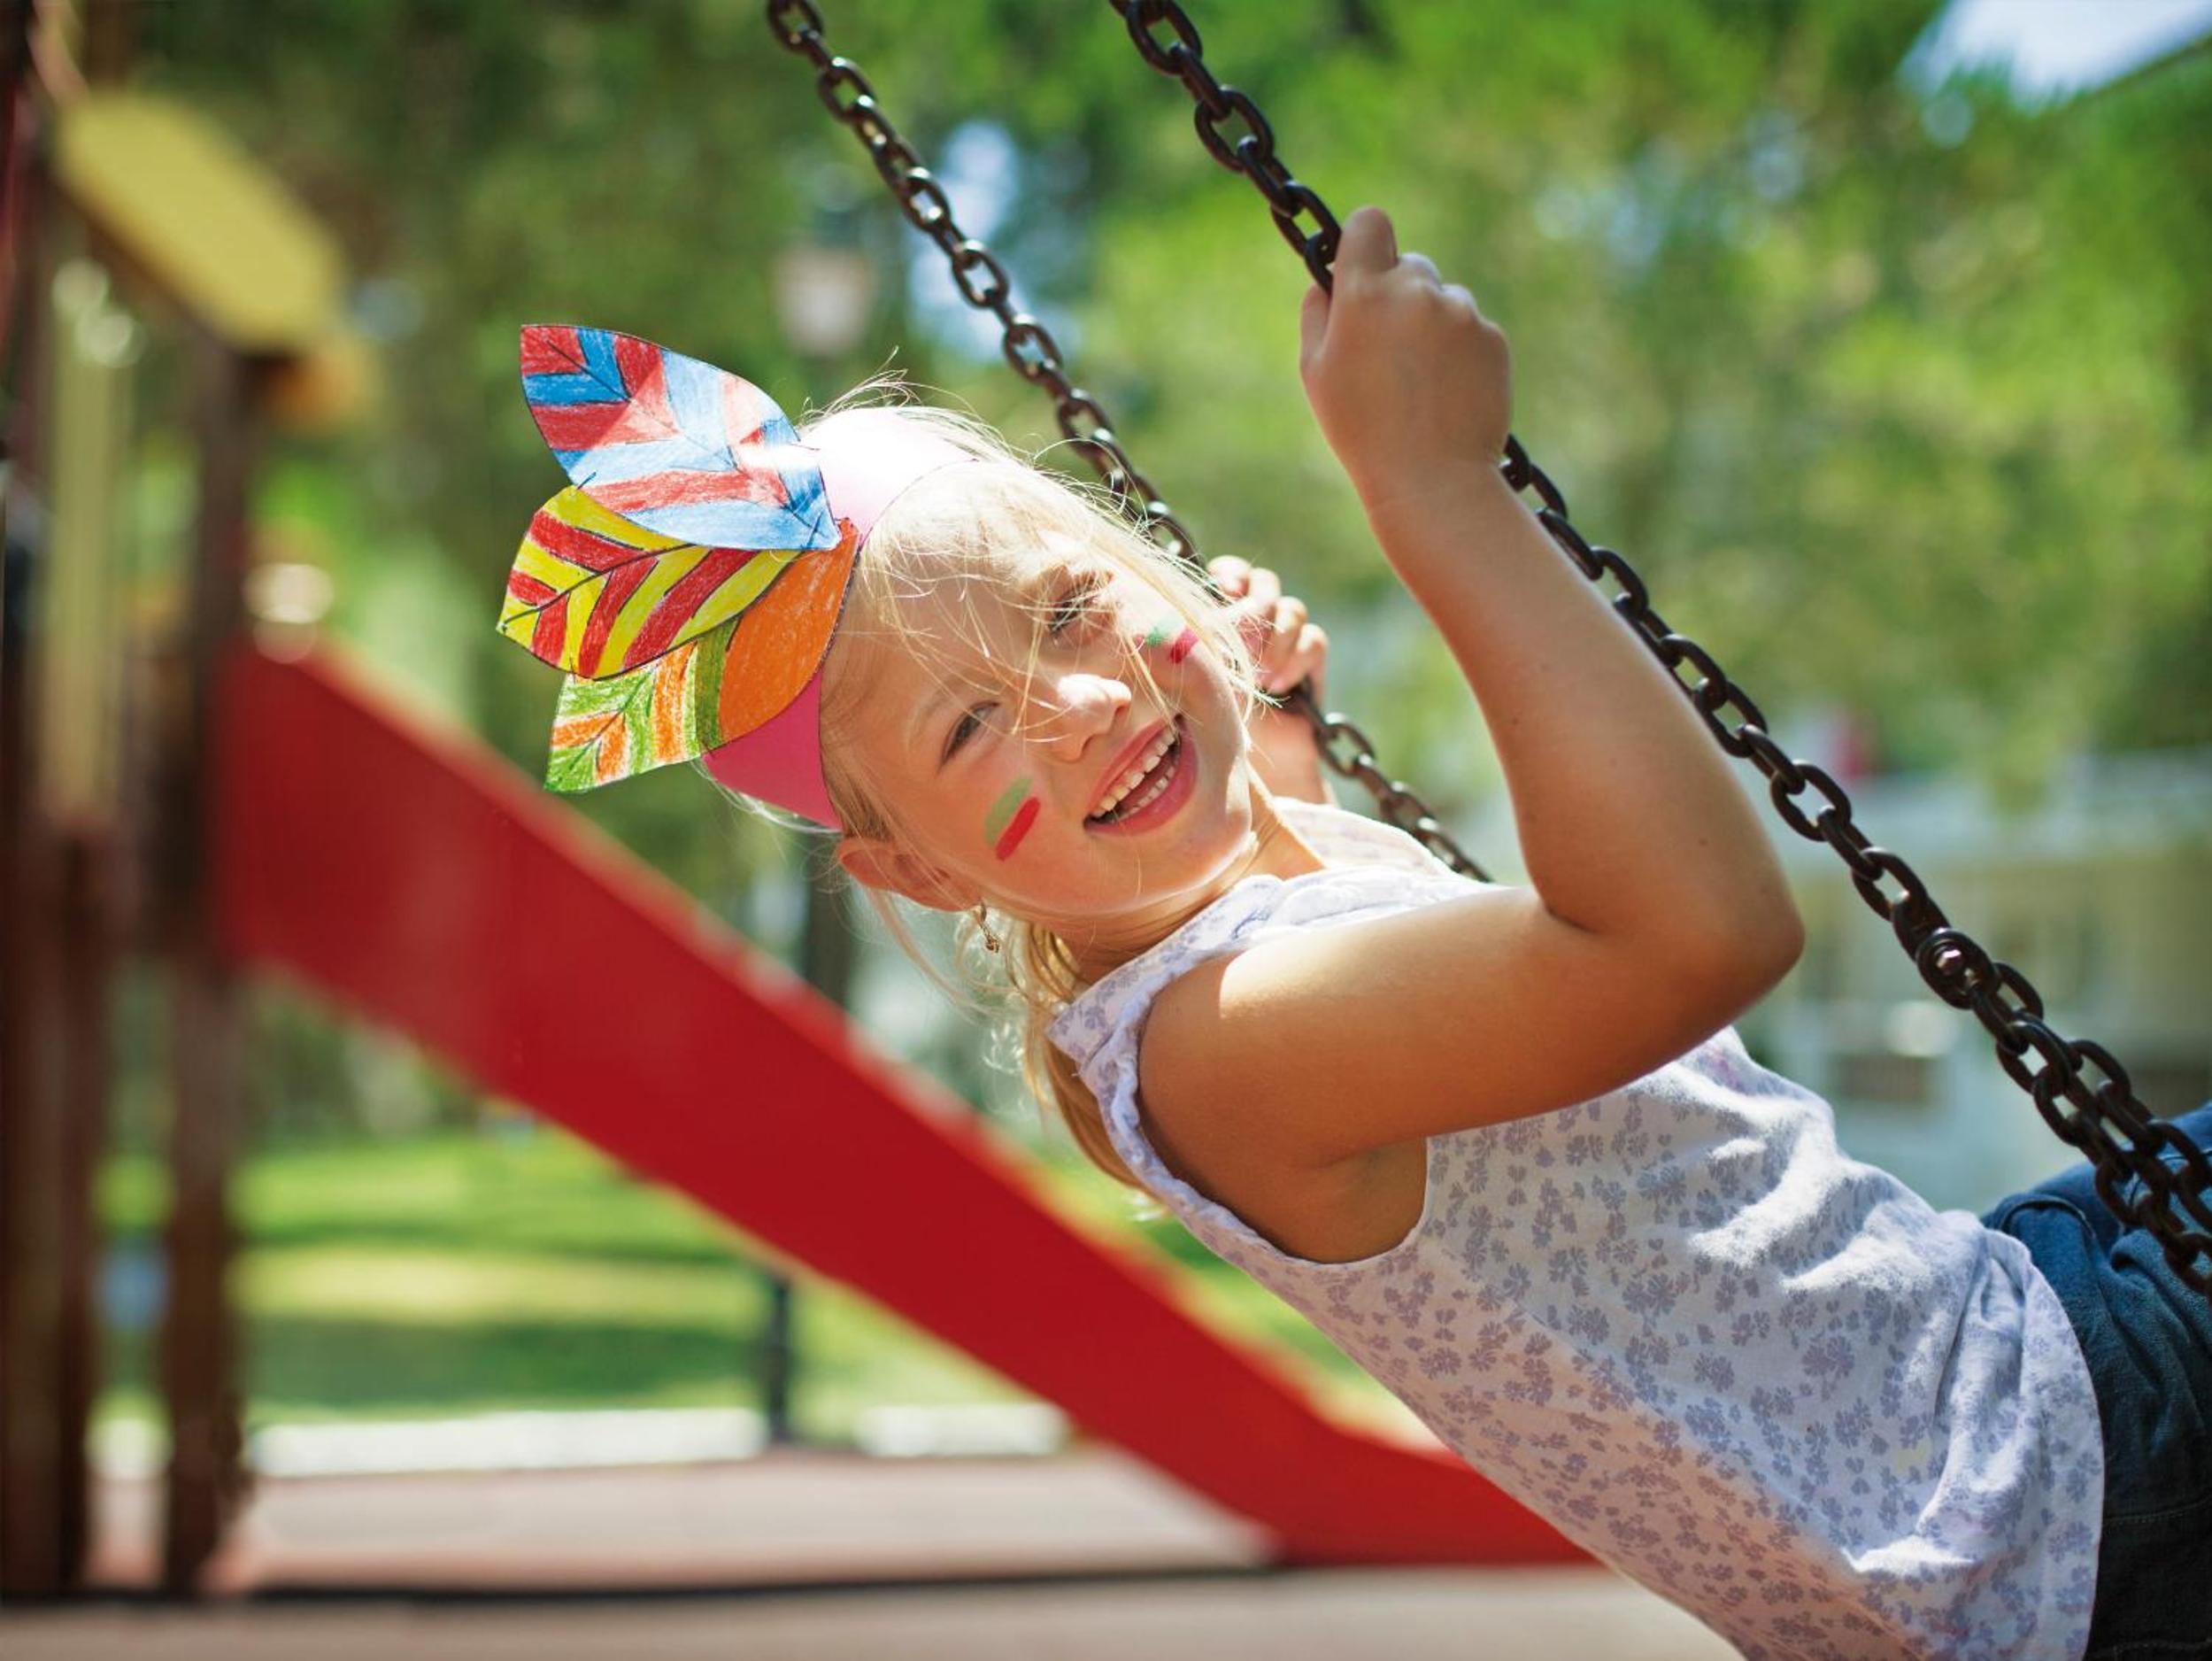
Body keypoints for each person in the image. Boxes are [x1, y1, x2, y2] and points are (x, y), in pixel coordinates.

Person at [499, 206, 2210, 1660]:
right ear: (927, 881)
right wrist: (1435, 486)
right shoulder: (1226, 1052)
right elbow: (1696, 935)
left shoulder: (1204, 983)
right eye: (970, 729)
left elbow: (1319, 958)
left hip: (1991, 1378)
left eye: (1071, 608)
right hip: (2051, 1482)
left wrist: (1279, 753)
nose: (1082, 704)